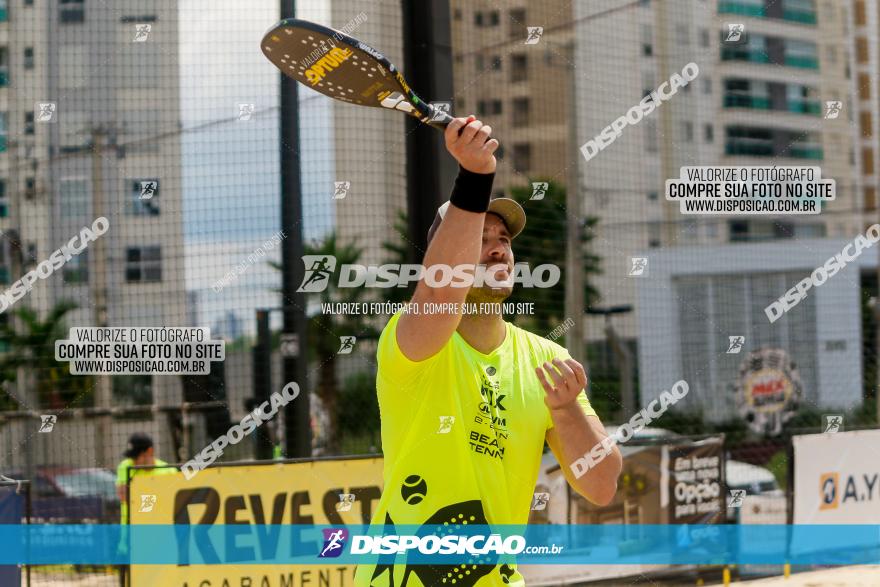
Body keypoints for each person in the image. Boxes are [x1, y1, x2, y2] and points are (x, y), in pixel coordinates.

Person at [353, 116, 623, 586]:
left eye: (503, 241)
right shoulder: (412, 337)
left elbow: (600, 485)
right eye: (479, 239)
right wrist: (475, 176)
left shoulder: (544, 358)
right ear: (446, 253)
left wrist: (567, 412)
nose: (498, 250)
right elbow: (441, 292)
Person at [115, 433, 176, 524]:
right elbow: (124, 496)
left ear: (150, 451)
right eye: (132, 457)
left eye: (136, 456)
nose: (133, 460)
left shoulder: (168, 471)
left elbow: (171, 503)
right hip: (131, 531)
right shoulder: (125, 466)